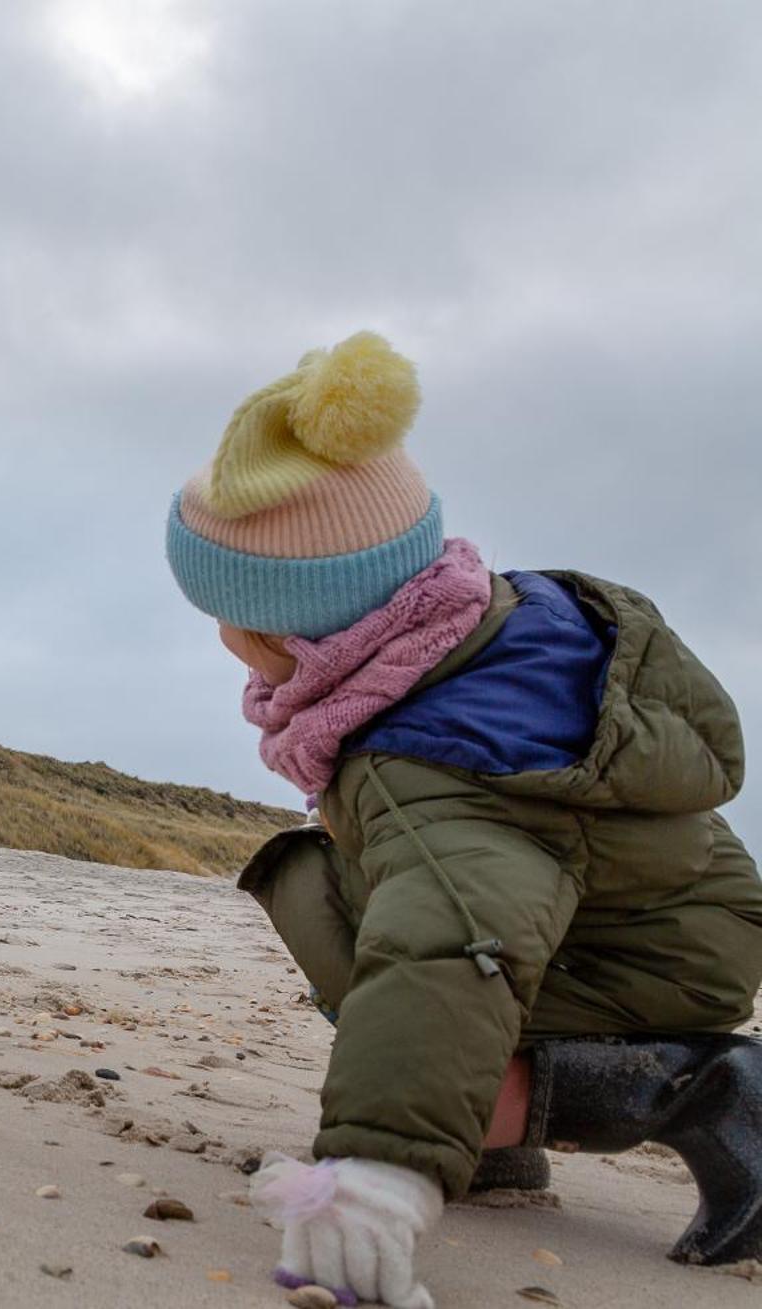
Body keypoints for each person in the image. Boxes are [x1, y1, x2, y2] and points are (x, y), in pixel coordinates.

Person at [164, 331, 762, 1307]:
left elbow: (450, 941)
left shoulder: (428, 753)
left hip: (648, 962)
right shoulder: (485, 632)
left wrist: (379, 1171)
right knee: (355, 886)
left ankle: (705, 1090)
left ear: (293, 625)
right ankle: (494, 1144)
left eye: (232, 628)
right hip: (669, 917)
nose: (234, 656)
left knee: (339, 906)